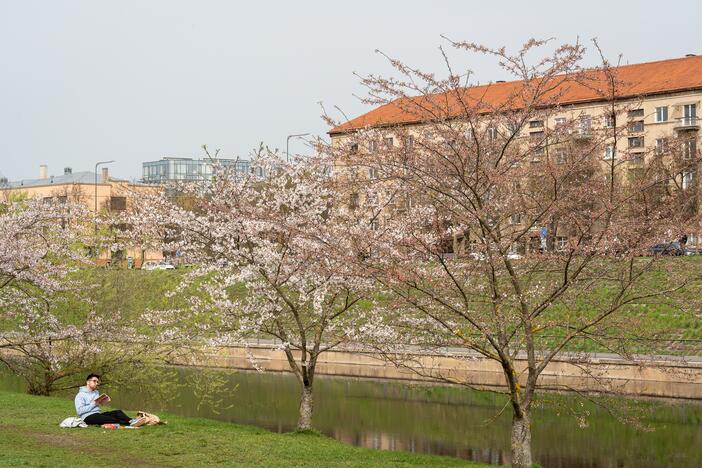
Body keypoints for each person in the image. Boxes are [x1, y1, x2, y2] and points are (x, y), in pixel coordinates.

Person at [74, 373, 139, 426]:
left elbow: (97, 404)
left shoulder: (96, 392)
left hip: (97, 414)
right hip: (87, 417)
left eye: (97, 382)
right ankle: (129, 424)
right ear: (88, 382)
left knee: (118, 412)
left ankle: (131, 420)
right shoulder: (80, 395)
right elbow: (79, 411)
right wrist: (94, 404)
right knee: (112, 419)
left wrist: (103, 401)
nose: (96, 383)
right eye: (94, 381)